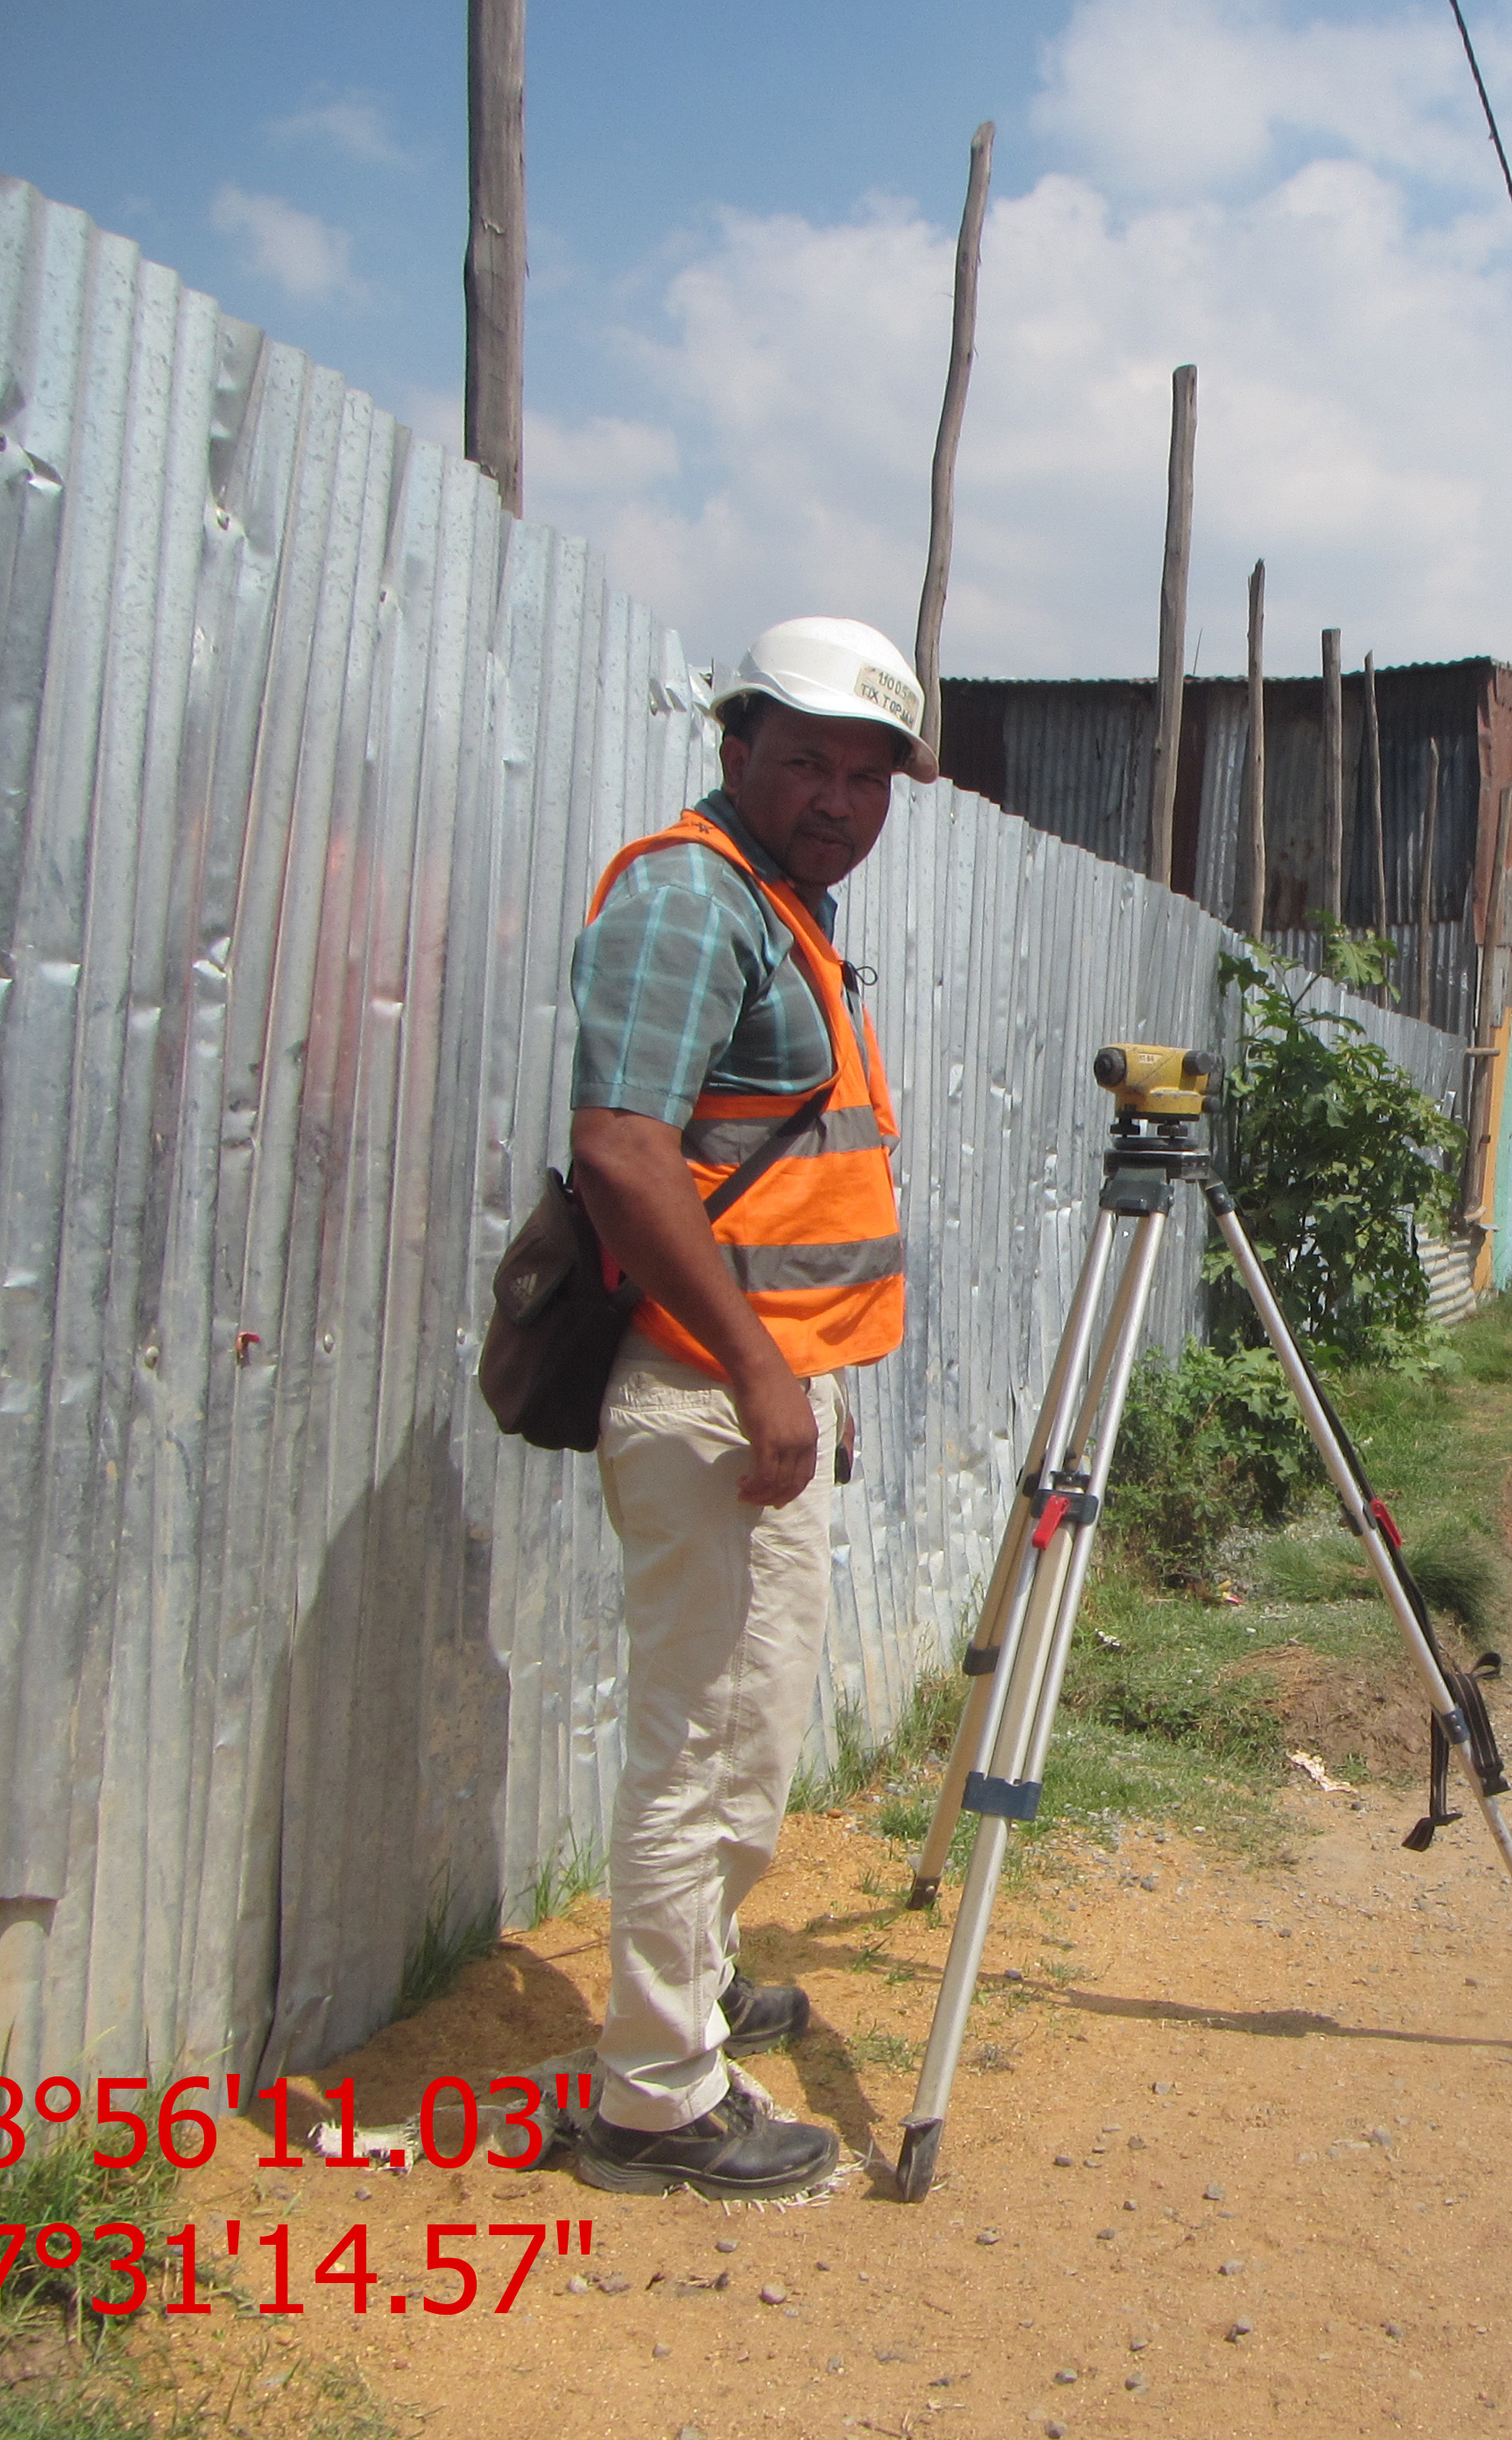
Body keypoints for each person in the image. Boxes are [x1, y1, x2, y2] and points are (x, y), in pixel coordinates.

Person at [564, 615, 925, 2198]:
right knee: (699, 1750)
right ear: (735, 752)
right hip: (713, 1396)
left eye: (866, 773)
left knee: (743, 1735)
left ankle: (695, 1992)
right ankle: (654, 2100)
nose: (837, 797)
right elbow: (625, 1156)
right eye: (806, 763)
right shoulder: (686, 897)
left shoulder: (785, 908)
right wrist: (765, 1370)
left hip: (763, 1396)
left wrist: (803, 1376)